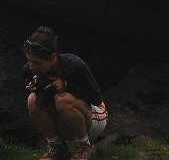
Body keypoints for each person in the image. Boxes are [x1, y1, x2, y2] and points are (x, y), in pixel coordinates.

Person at [23, 26, 107, 160]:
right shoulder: (29, 71)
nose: (31, 66)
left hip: (94, 118)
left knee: (63, 99)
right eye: (29, 60)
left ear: (52, 57)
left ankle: (83, 147)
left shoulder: (74, 64)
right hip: (62, 120)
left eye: (37, 62)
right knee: (32, 100)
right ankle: (57, 147)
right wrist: (38, 89)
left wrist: (67, 85)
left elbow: (96, 98)